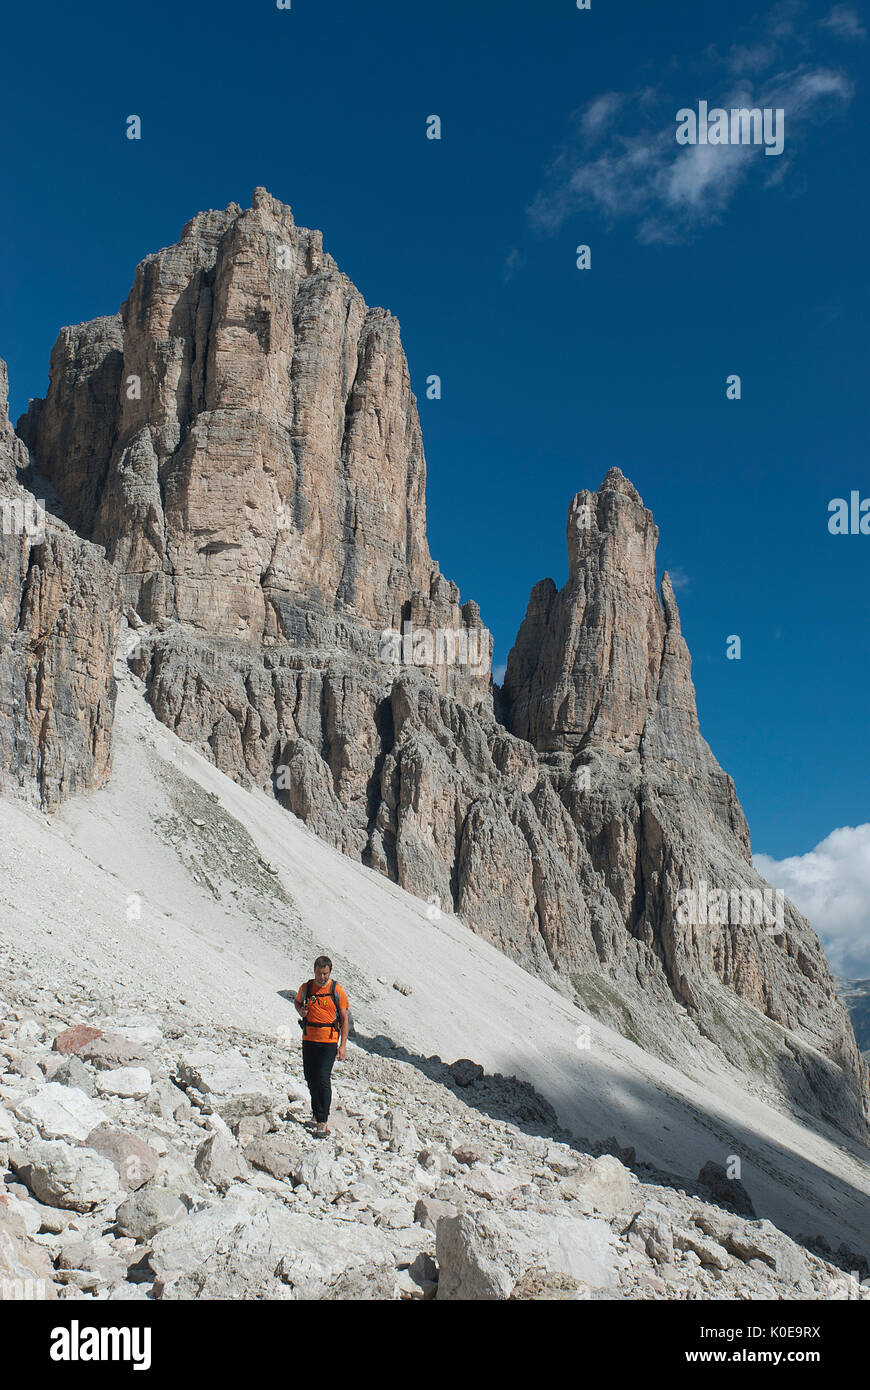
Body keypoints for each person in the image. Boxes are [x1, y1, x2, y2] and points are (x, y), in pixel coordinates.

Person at [295, 955, 349, 1138]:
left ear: (330, 972)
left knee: (323, 1078)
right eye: (319, 973)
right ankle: (317, 1112)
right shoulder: (307, 988)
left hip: (328, 1042)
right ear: (314, 971)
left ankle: (323, 1121)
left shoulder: (337, 990)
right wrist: (300, 1010)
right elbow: (297, 1001)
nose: (322, 977)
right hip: (309, 1038)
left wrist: (343, 1046)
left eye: (325, 973)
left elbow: (344, 1018)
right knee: (310, 1077)